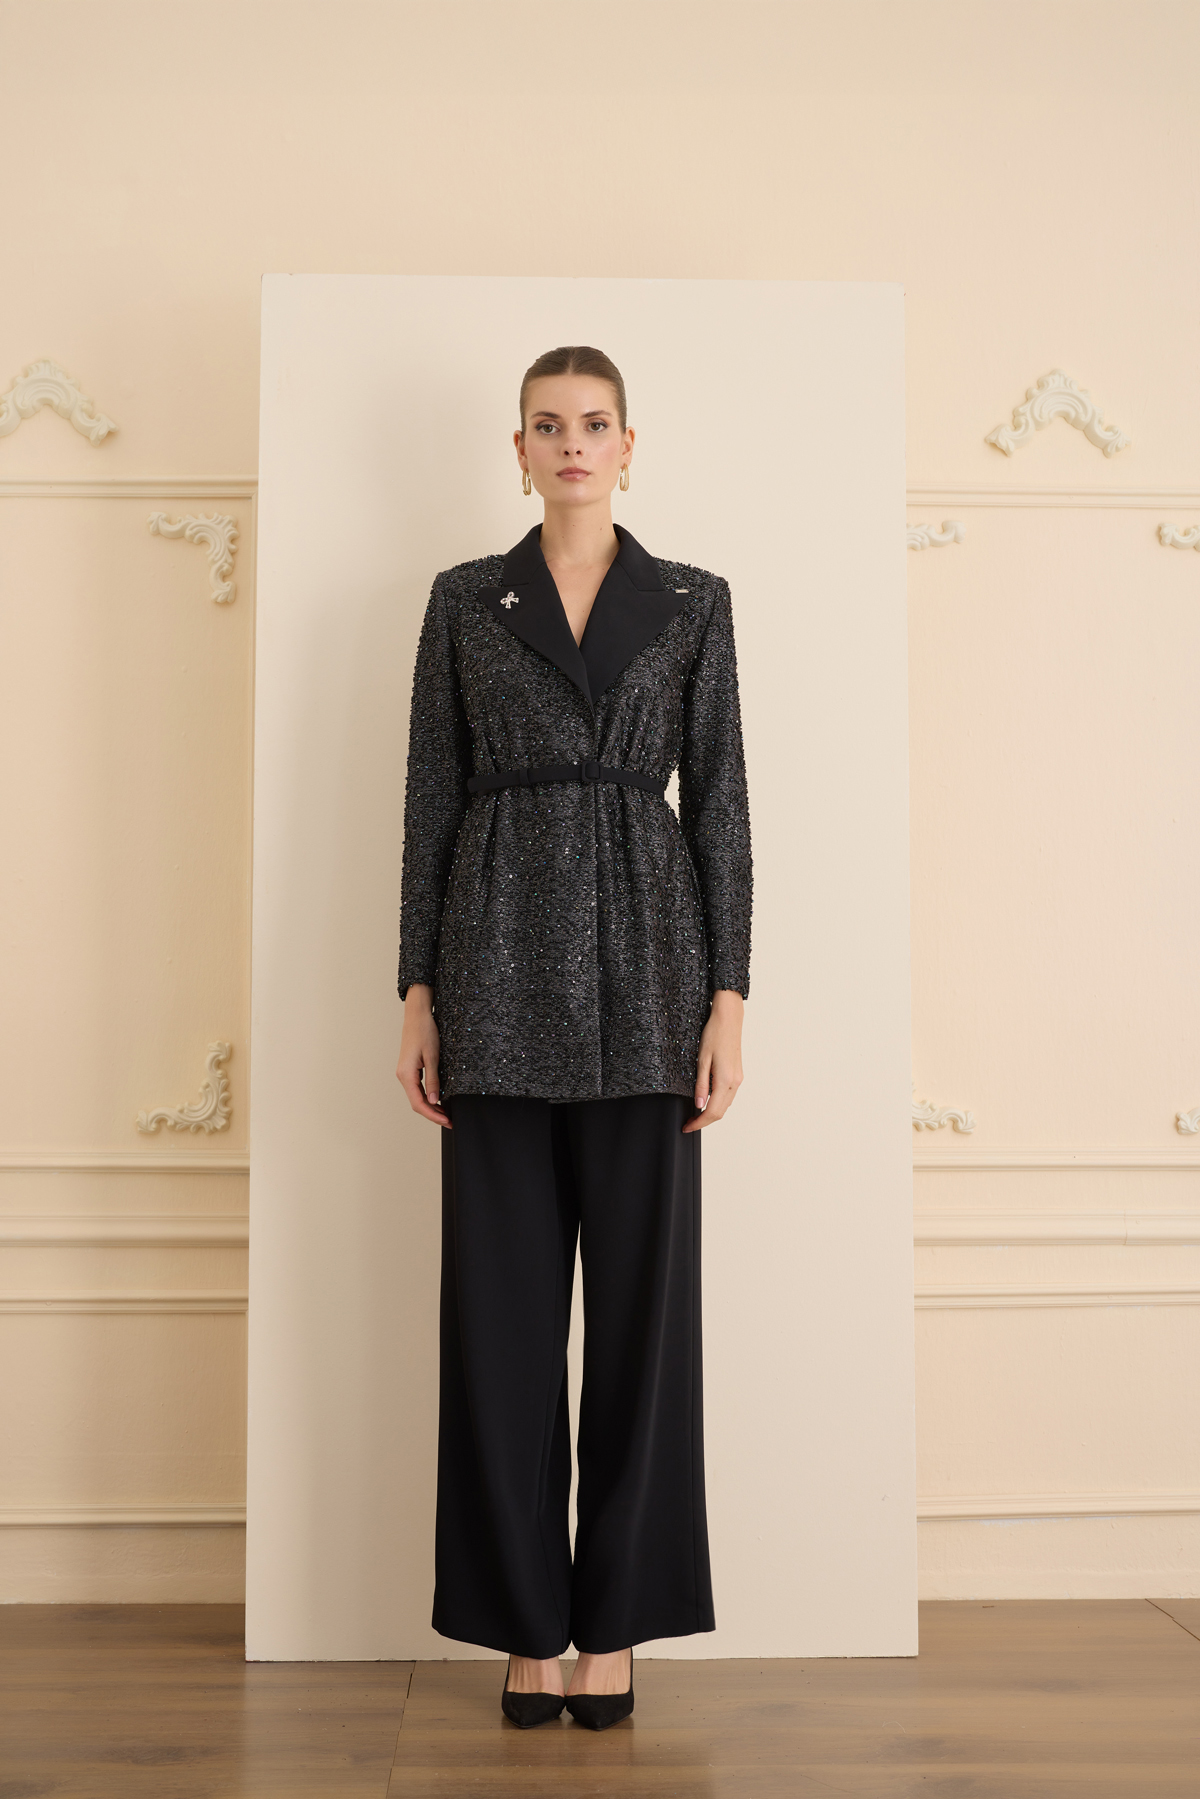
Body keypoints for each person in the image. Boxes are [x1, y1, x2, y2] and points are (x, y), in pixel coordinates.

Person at [395, 344, 752, 1730]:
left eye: (594, 424)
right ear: (521, 448)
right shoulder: (464, 601)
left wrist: (729, 999)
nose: (572, 445)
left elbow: (720, 804)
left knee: (644, 1324)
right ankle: (523, 1626)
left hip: (653, 976)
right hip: (491, 967)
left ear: (628, 445)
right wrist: (416, 990)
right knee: (499, 1319)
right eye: (549, 425)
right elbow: (431, 795)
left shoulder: (693, 602)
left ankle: (613, 1626)